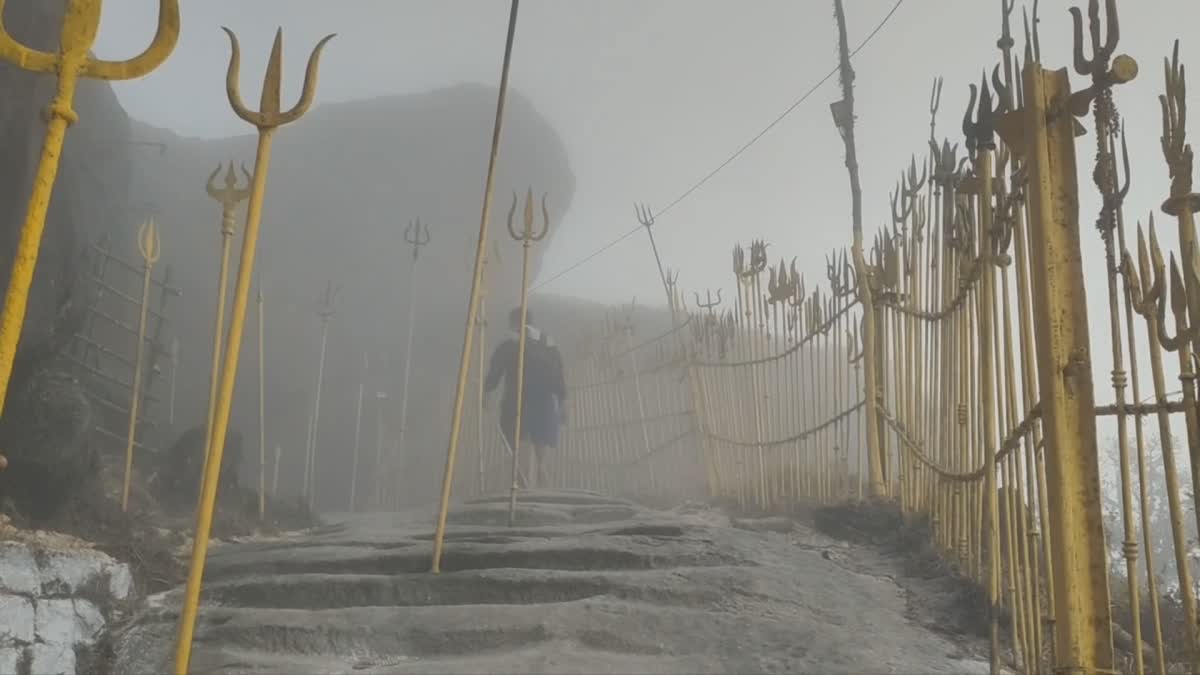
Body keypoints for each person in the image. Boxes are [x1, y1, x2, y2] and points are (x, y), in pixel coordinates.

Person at [483, 307, 567, 488]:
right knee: (540, 440)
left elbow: (497, 367)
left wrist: (488, 390)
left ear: (513, 321)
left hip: (517, 395)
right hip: (544, 397)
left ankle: (521, 480)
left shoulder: (510, 339)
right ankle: (541, 470)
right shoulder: (547, 340)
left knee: (515, 436)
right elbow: (558, 370)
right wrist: (562, 400)